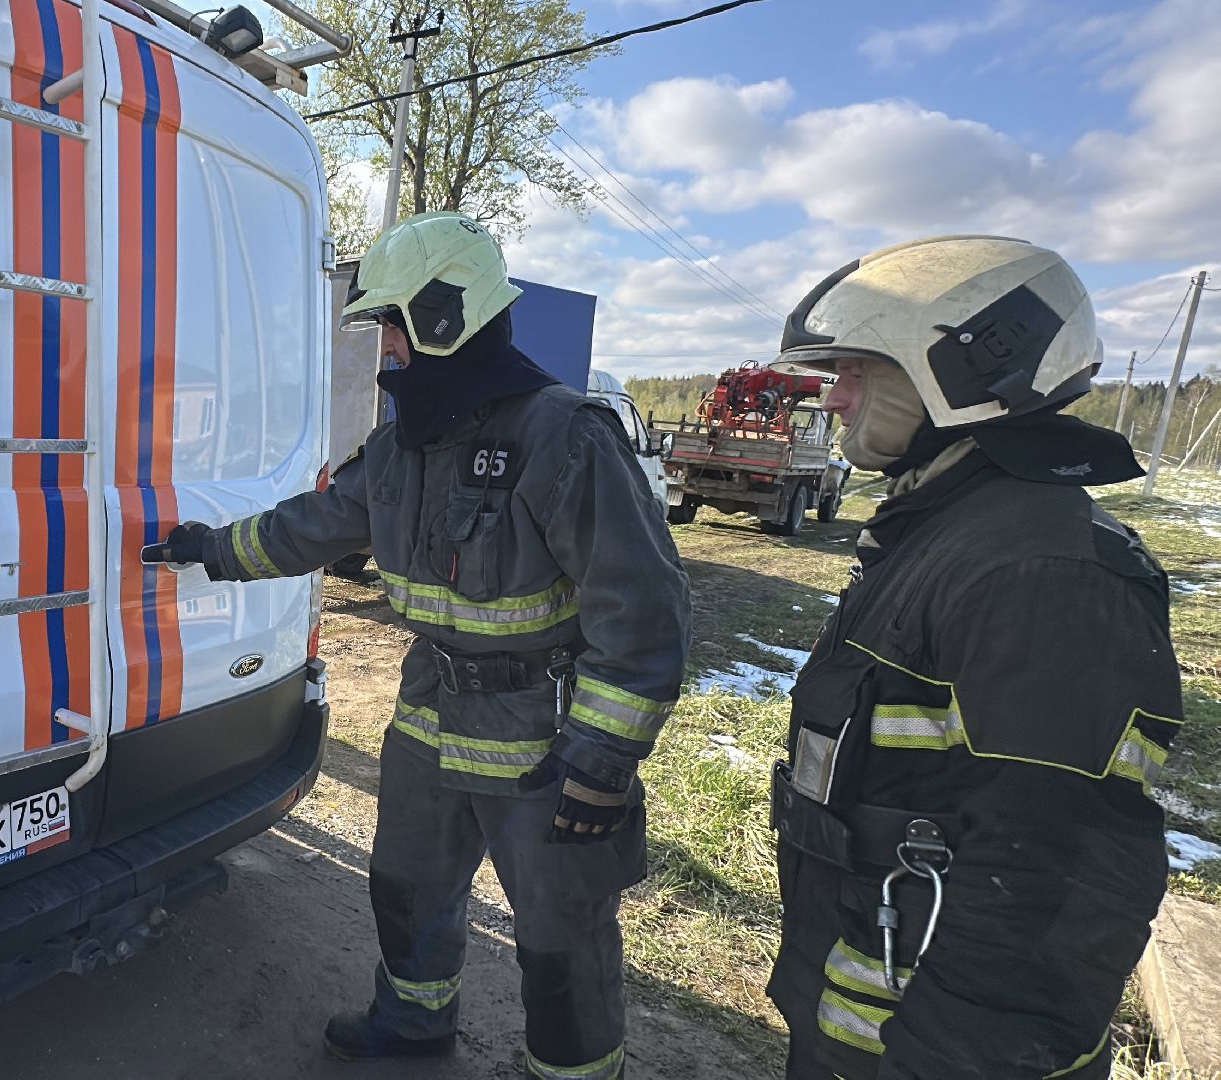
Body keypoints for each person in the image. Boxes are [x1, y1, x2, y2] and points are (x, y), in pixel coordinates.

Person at [145, 211, 691, 1078]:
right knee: (406, 887)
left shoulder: (564, 435)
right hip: (430, 713)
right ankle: (414, 1023)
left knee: (562, 934)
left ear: (446, 316)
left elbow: (644, 614)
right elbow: (316, 524)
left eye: (393, 324)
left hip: (542, 742)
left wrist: (601, 761)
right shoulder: (404, 445)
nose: (387, 348)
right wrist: (212, 549)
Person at [765, 235, 1183, 1079]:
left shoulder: (1044, 573)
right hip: (862, 1024)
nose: (834, 398)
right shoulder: (949, 529)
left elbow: (1053, 882)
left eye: (856, 372)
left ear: (962, 374)